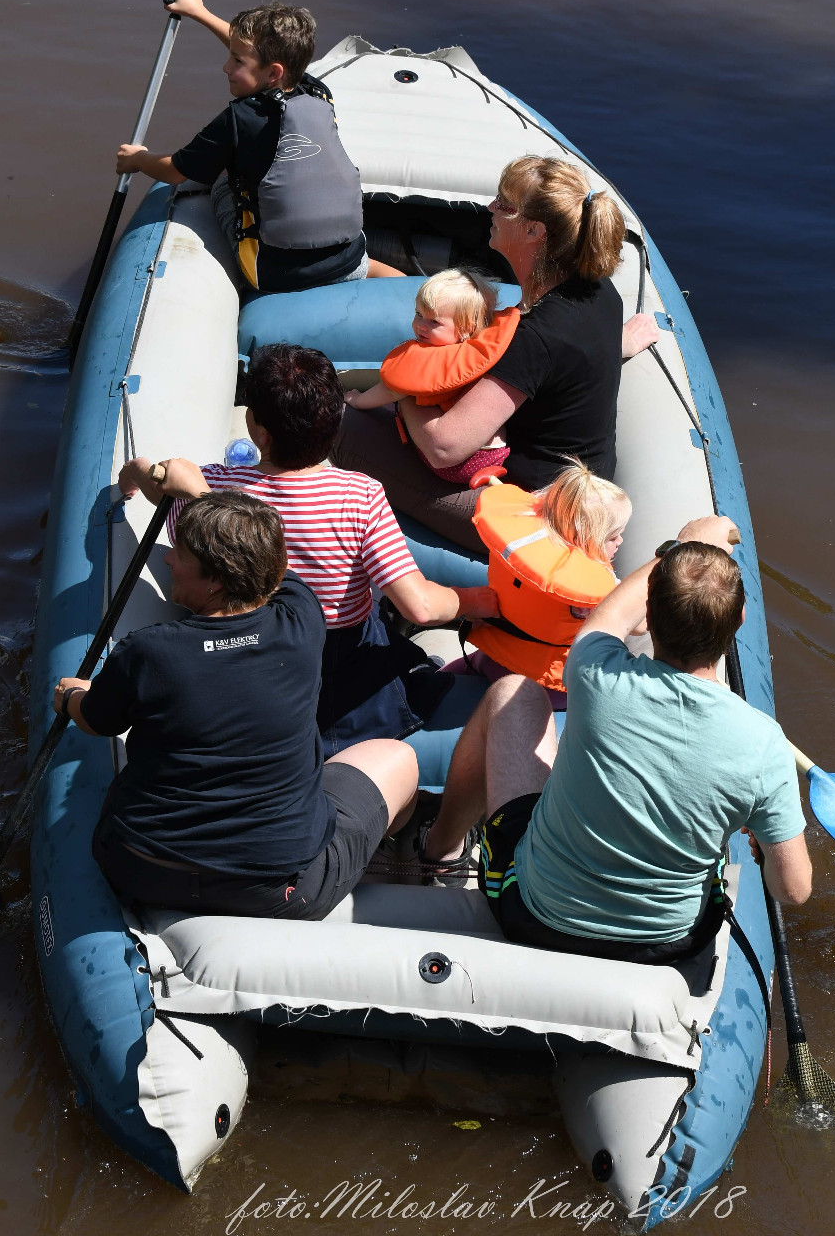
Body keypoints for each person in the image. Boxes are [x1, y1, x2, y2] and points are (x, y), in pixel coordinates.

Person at [419, 515, 812, 958]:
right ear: (739, 620)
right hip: (665, 944)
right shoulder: (765, 745)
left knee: (513, 692)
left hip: (534, 915)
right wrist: (764, 842)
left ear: (650, 614)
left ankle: (440, 851)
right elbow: (793, 889)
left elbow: (611, 614)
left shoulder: (596, 672)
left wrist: (680, 546)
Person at [53, 491, 419, 918]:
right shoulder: (302, 619)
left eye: (180, 554)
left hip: (140, 867)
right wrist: (217, 514)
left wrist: (71, 697)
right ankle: (395, 856)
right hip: (276, 890)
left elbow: (96, 720)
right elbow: (278, 570)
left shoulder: (148, 653)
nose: (168, 559)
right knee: (399, 758)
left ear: (216, 580)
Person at [121, 344, 498, 756]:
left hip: (256, 665)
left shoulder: (212, 492)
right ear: (335, 427)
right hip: (342, 670)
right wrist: (476, 600)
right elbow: (421, 607)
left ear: (259, 431)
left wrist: (135, 473)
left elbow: (160, 491)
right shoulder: (359, 495)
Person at [334, 154, 660, 551]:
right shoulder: (599, 292)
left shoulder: (536, 337)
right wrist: (622, 344)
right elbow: (568, 360)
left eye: (504, 204)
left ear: (533, 230)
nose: (490, 207)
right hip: (575, 497)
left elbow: (444, 448)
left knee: (333, 421)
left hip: (533, 517)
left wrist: (405, 387)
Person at [115, 0, 402, 293]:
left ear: (273, 73)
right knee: (371, 266)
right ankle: (419, 293)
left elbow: (175, 172)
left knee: (222, 183)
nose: (226, 67)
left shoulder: (239, 119)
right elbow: (257, 54)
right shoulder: (317, 91)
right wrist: (199, 13)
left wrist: (137, 159)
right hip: (347, 259)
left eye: (237, 62)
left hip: (274, 273)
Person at [450, 461, 631, 706]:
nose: (620, 541)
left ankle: (434, 675)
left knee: (469, 665)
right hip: (547, 686)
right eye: (613, 536)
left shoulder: (520, 548)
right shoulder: (597, 592)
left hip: (495, 656)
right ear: (586, 539)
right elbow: (638, 626)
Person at [344, 268, 519, 486]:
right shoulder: (480, 350)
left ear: (466, 327)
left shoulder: (430, 360)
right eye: (418, 314)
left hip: (460, 465)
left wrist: (357, 400)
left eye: (434, 322)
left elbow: (390, 390)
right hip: (495, 453)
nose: (420, 325)